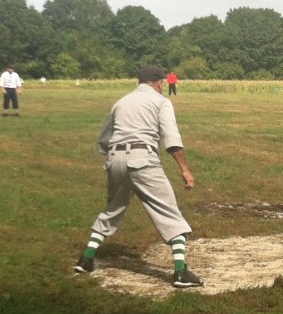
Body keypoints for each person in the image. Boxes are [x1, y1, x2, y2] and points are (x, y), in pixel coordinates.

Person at [73, 65, 204, 288]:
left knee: (113, 207)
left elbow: (104, 139)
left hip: (115, 158)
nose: (163, 85)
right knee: (167, 210)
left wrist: (117, 158)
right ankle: (181, 272)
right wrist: (184, 169)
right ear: (158, 82)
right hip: (142, 158)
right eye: (162, 82)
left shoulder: (121, 102)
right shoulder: (161, 102)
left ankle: (86, 259)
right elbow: (171, 139)